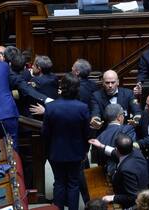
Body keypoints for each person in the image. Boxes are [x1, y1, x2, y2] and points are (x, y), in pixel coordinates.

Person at [42, 73, 90, 210]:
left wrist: (48, 149)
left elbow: (45, 133)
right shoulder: (82, 107)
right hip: (76, 152)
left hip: (56, 151)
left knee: (59, 183)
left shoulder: (51, 107)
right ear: (77, 89)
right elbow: (86, 132)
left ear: (61, 87)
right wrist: (85, 150)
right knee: (73, 183)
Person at [89, 133, 149, 209]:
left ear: (117, 149)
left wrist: (113, 198)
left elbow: (133, 196)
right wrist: (101, 146)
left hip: (133, 204)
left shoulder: (127, 170)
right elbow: (116, 152)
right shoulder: (135, 151)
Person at [96, 103, 136, 175]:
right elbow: (132, 151)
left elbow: (97, 161)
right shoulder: (127, 129)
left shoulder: (99, 137)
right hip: (125, 174)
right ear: (119, 117)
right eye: (123, 114)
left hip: (105, 177)